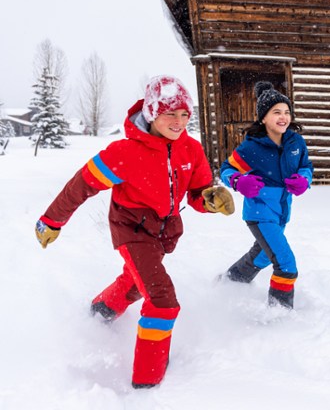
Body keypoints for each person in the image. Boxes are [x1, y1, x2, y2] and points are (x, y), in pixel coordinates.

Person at [35, 75, 234, 389]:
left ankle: (102, 309)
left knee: (138, 280)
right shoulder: (123, 152)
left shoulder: (191, 150)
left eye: (185, 114)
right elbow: (80, 187)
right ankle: (147, 379)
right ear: (153, 113)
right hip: (130, 228)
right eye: (171, 113)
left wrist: (210, 200)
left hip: (165, 231)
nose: (179, 122)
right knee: (162, 299)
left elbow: (198, 192)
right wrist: (52, 221)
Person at [219, 81, 313, 310]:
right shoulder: (252, 147)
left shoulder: (296, 143)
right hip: (259, 212)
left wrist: (304, 180)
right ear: (264, 118)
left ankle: (230, 282)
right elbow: (225, 170)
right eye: (276, 112)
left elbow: (306, 166)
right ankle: (279, 315)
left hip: (282, 211)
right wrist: (239, 181)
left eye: (286, 112)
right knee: (286, 264)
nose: (283, 117)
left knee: (261, 256)